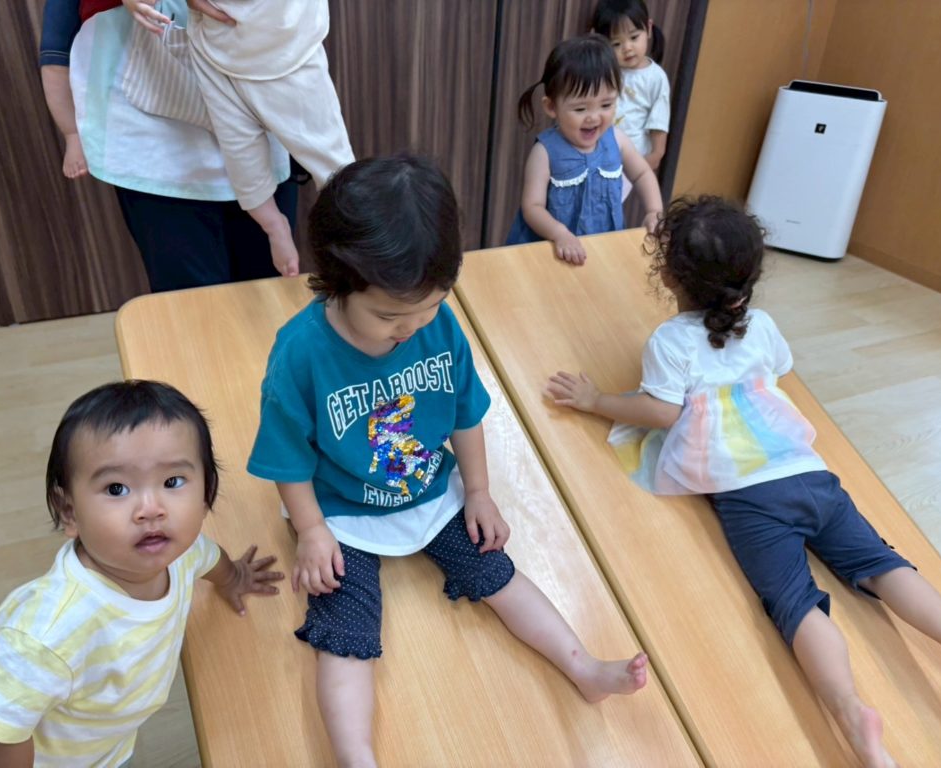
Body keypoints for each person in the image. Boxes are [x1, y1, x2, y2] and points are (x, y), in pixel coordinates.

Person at [248, 155, 649, 767]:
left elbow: (465, 413)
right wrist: (311, 531)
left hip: (430, 491)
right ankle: (355, 756)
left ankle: (583, 667)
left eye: (430, 306)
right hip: (341, 510)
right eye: (389, 316)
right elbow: (287, 459)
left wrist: (480, 492)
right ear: (335, 282)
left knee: (498, 574)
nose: (411, 328)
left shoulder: (438, 327)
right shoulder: (300, 354)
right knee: (345, 630)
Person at [546, 196, 941, 768]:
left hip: (753, 496)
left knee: (796, 604)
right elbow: (774, 373)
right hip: (809, 472)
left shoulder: (670, 341)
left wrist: (597, 400)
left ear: (669, 276)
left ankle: (851, 713)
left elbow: (661, 413)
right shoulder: (764, 325)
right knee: (882, 563)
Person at [0, 381, 284, 767]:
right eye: (117, 488)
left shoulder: (180, 553)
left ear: (206, 493)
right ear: (69, 511)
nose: (151, 509)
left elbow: (208, 558)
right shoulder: (49, 633)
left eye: (172, 482)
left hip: (97, 747)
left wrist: (234, 577)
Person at [39, 0, 302, 292]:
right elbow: (55, 54)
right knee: (192, 295)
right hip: (154, 145)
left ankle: (273, 228)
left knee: (267, 285)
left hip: (255, 119)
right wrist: (72, 134)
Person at [124, 0, 355, 278]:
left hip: (289, 51)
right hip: (218, 49)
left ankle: (359, 259)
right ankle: (275, 226)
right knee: (245, 163)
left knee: (338, 174)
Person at [505, 34, 663, 265]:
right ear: (551, 107)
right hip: (550, 251)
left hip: (602, 247)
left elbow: (642, 173)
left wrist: (654, 210)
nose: (594, 117)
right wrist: (560, 234)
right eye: (580, 109)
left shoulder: (617, 139)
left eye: (606, 104)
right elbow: (532, 207)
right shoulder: (545, 152)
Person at [591, 0, 670, 173]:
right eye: (616, 44)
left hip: (632, 160)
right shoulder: (604, 69)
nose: (627, 48)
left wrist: (655, 156)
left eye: (634, 37)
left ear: (648, 28)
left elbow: (659, 122)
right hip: (596, 154)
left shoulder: (655, 77)